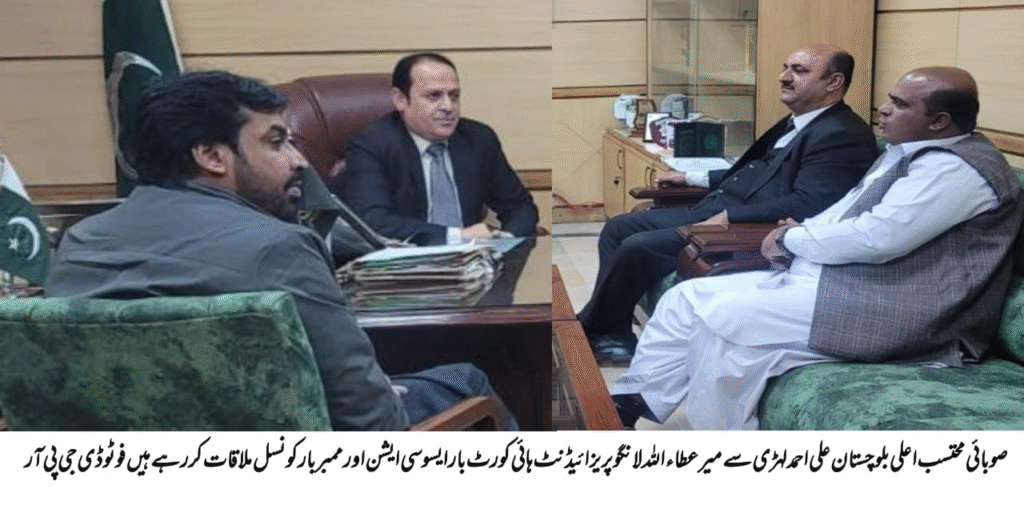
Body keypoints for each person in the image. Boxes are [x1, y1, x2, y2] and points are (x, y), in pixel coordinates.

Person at [46, 71, 515, 431]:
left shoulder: (79, 245)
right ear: (212, 156)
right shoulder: (279, 248)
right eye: (276, 142)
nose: (299, 160)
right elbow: (373, 423)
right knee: (464, 380)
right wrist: (379, 398)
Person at [612, 67, 1023, 430]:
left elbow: (877, 237)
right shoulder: (909, 151)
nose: (882, 109)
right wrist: (801, 232)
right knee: (684, 299)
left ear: (939, 121)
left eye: (899, 104)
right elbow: (847, 211)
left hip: (906, 308)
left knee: (725, 323)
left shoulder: (955, 170)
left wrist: (790, 239)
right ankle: (629, 406)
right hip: (854, 281)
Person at [578, 44, 879, 364]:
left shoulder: (841, 135)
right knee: (618, 228)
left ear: (833, 82)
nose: (784, 77)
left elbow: (810, 204)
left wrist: (730, 216)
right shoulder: (802, 121)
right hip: (715, 210)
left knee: (637, 246)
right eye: (785, 68)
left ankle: (593, 327)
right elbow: (758, 170)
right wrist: (694, 178)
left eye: (799, 71)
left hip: (745, 229)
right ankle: (613, 333)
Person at [335, 52, 538, 246]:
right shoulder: (372, 143)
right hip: (409, 261)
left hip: (473, 262)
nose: (448, 107)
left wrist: (508, 236)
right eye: (434, 96)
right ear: (400, 100)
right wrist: (458, 236)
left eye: (454, 95)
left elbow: (518, 205)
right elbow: (374, 220)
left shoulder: (478, 139)